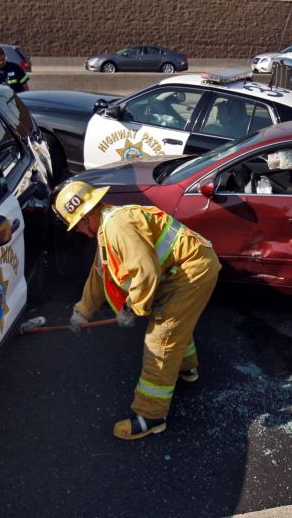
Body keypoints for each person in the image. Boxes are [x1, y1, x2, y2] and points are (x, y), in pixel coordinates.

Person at [53, 181, 221, 440]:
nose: (80, 232)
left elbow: (146, 271)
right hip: (182, 270)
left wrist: (132, 308)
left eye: (78, 226)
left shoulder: (117, 226)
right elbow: (99, 275)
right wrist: (82, 311)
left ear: (87, 216)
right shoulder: (108, 227)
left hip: (191, 271)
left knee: (160, 339)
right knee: (173, 325)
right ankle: (187, 368)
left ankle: (151, 416)